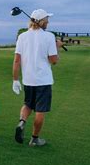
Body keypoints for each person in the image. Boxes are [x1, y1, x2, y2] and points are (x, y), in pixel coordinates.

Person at [12, 9, 64, 146]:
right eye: (47, 19)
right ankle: (34, 139)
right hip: (43, 80)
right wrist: (57, 46)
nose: (48, 22)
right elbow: (54, 60)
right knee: (40, 111)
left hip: (28, 79)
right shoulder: (49, 37)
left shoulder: (22, 37)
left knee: (27, 105)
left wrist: (15, 80)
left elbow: (17, 60)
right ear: (41, 21)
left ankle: (22, 122)